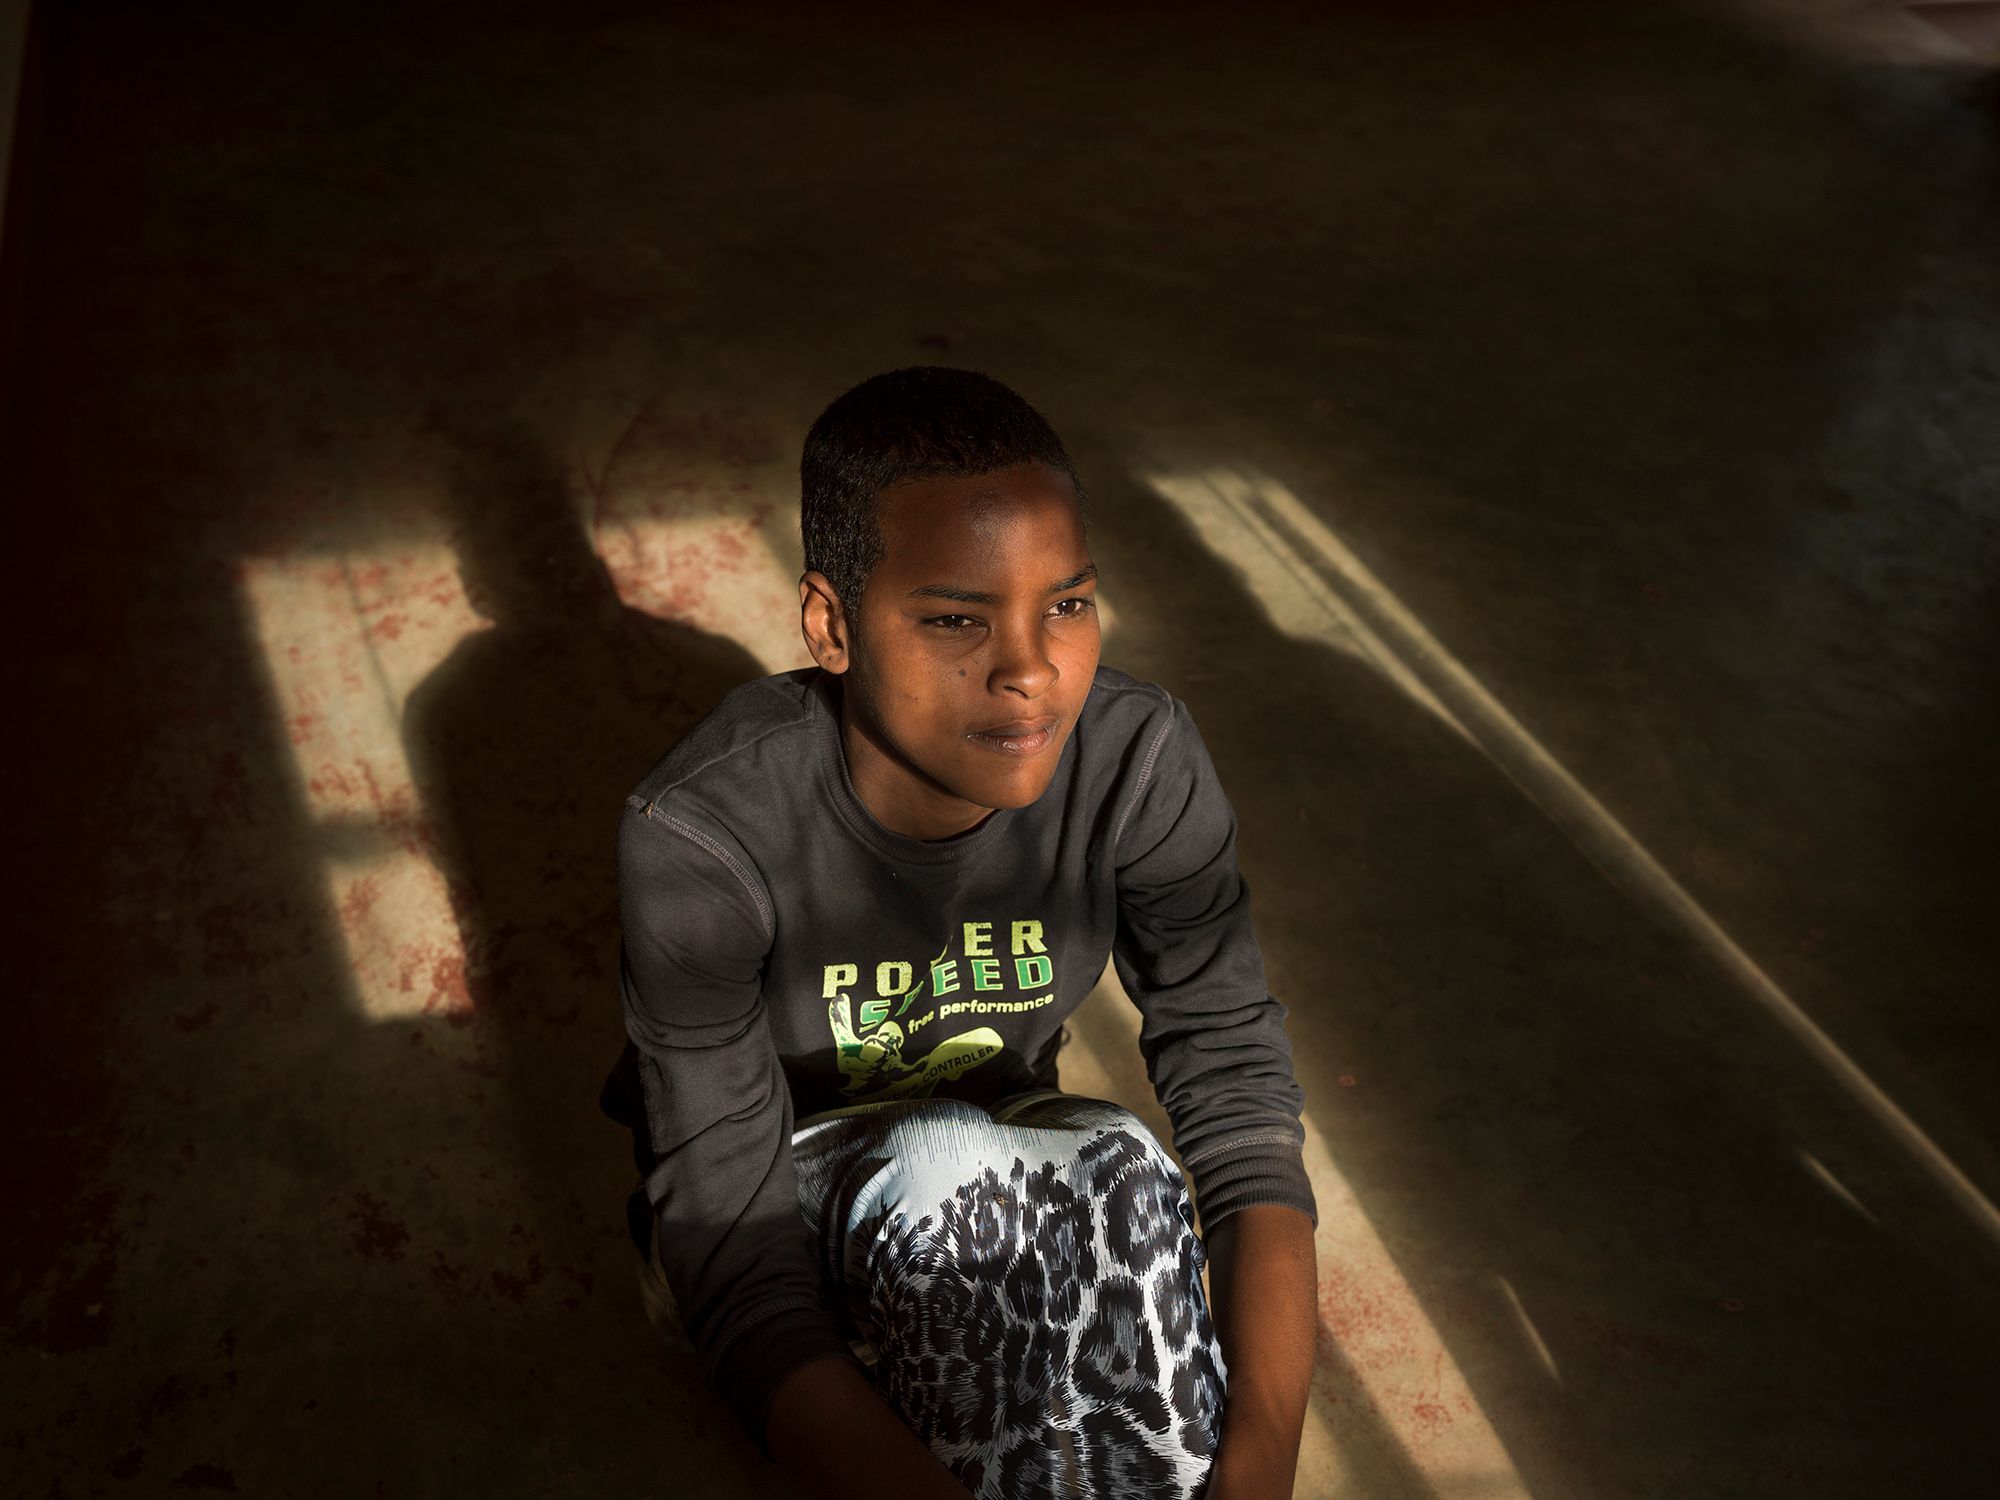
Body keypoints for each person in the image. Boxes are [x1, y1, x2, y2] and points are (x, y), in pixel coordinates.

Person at [605, 367, 1318, 1500]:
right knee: (949, 1185)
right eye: (953, 618)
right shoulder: (703, 838)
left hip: (1000, 1141)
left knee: (1122, 1175)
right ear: (830, 625)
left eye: (1068, 605)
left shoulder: (1138, 758)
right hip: (763, 1196)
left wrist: (1255, 1473)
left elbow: (1236, 1097)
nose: (1031, 671)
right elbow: (733, 1260)